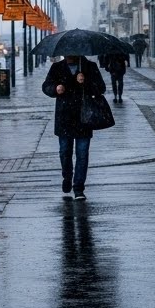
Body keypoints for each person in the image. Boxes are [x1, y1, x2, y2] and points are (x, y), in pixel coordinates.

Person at [42, 55, 106, 200]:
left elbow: (101, 87)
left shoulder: (89, 67)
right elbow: (46, 86)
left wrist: (85, 82)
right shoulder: (57, 67)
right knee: (65, 152)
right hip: (64, 118)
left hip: (84, 117)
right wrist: (55, 88)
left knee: (82, 154)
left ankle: (78, 187)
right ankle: (67, 176)